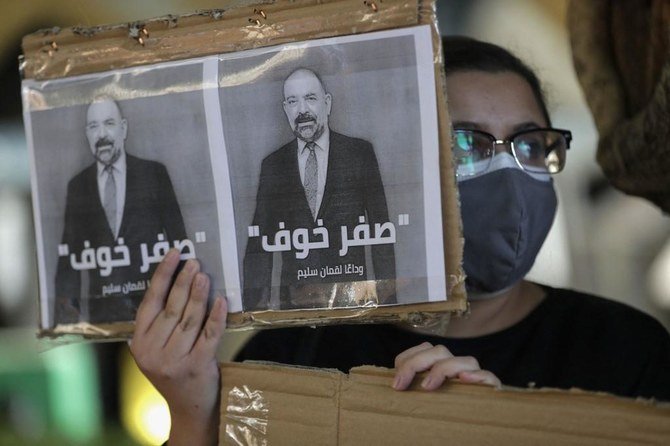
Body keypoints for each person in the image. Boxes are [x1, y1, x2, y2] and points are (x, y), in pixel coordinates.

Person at [130, 37, 670, 445]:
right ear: (401, 163)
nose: (508, 171)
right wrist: (191, 412)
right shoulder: (291, 357)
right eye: (465, 143)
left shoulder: (628, 354)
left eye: (530, 145)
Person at [242, 68, 396, 311]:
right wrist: (254, 311)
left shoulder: (359, 154)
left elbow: (382, 234)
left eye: (310, 98)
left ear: (327, 103)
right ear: (285, 109)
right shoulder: (273, 165)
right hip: (295, 311)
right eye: (293, 101)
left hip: (355, 307)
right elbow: (260, 246)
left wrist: (390, 306)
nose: (302, 110)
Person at [55, 97, 187, 325]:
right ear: (87, 134)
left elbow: (181, 244)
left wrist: (182, 305)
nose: (101, 135)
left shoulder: (153, 175)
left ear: (123, 129)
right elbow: (69, 258)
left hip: (160, 314)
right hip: (103, 323)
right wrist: (68, 319)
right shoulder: (77, 186)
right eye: (93, 127)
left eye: (109, 123)